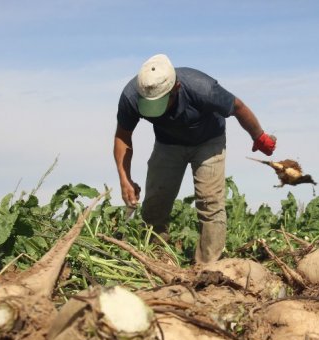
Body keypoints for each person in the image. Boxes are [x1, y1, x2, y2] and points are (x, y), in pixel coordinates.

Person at [113, 54, 277, 263]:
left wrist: (259, 136)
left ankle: (208, 268)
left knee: (210, 203)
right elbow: (123, 136)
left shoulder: (202, 88)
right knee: (155, 203)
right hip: (168, 144)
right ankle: (157, 259)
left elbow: (238, 107)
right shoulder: (132, 95)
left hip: (209, 141)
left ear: (176, 88)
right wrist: (124, 177)